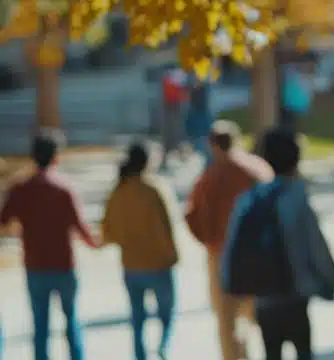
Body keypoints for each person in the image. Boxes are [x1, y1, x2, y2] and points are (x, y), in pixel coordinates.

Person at [223, 127, 334, 360]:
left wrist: (230, 282)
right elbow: (314, 244)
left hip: (264, 296)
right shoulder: (296, 197)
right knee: (303, 351)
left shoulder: (250, 198)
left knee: (271, 352)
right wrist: (330, 281)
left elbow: (233, 245)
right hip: (295, 293)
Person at [0, 129, 100, 360]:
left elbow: (3, 219)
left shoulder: (20, 189)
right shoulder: (64, 189)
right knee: (71, 321)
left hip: (35, 265)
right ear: (56, 156)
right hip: (64, 264)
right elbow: (79, 226)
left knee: (40, 326)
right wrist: (96, 243)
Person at [184, 121, 273, 360]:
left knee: (228, 323)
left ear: (213, 145)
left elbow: (192, 215)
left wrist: (209, 241)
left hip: (224, 255)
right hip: (259, 255)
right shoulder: (259, 168)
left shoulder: (211, 176)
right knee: (260, 318)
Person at [101, 143, 180, 360]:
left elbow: (107, 231)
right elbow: (166, 227)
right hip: (158, 264)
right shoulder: (153, 190)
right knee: (167, 311)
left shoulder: (119, 191)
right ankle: (163, 346)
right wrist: (173, 255)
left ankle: (140, 355)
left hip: (131, 265)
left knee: (137, 317)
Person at [161, 67, 190, 168]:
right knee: (174, 135)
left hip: (174, 110)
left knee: (175, 135)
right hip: (172, 110)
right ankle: (178, 156)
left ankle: (180, 156)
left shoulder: (169, 81)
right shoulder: (171, 83)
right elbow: (182, 96)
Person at [185, 74, 214, 166]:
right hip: (199, 132)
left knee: (203, 156)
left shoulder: (200, 93)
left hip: (201, 132)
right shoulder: (196, 108)